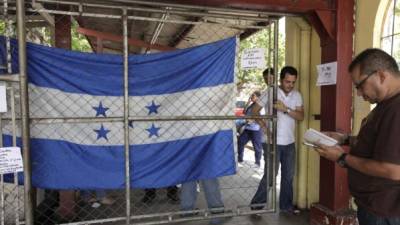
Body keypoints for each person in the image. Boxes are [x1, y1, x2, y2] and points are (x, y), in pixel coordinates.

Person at [315, 48, 400, 225]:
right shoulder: (387, 103)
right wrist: (344, 139)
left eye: (360, 85)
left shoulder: (396, 109)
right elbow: (378, 144)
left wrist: (342, 157)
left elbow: (392, 170)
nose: (359, 93)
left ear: (381, 76)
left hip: (384, 211)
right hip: (374, 206)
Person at [251, 66, 304, 215]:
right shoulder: (271, 91)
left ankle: (285, 206)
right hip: (271, 142)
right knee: (270, 175)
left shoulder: (297, 95)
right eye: (288, 82)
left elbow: (301, 117)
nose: (290, 85)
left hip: (289, 142)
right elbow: (254, 111)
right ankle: (256, 206)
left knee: (288, 176)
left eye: (293, 82)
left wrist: (285, 109)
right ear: (281, 80)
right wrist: (265, 129)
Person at [237, 91, 263, 167]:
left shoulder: (260, 106)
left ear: (258, 97)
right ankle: (240, 159)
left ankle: (257, 163)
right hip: (248, 128)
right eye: (251, 95)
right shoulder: (251, 105)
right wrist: (248, 102)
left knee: (257, 147)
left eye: (253, 96)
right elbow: (244, 112)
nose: (251, 97)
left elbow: (262, 117)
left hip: (256, 129)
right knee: (240, 142)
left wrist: (252, 120)